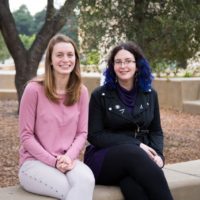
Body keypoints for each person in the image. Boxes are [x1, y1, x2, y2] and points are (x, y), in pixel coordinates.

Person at [84, 41, 174, 200]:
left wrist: (158, 155)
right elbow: (95, 135)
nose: (123, 66)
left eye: (128, 61)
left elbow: (156, 131)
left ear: (137, 65)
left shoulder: (150, 94)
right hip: (104, 159)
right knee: (132, 152)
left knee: (133, 187)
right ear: (112, 67)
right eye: (118, 62)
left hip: (137, 161)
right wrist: (137, 145)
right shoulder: (100, 95)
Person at [18, 34, 95, 200]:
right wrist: (53, 162)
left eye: (70, 55)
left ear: (75, 59)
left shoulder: (81, 91)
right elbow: (26, 136)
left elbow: (82, 133)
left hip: (68, 160)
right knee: (69, 188)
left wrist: (68, 157)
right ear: (50, 60)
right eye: (59, 55)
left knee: (87, 180)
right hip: (34, 163)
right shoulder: (33, 90)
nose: (65, 59)